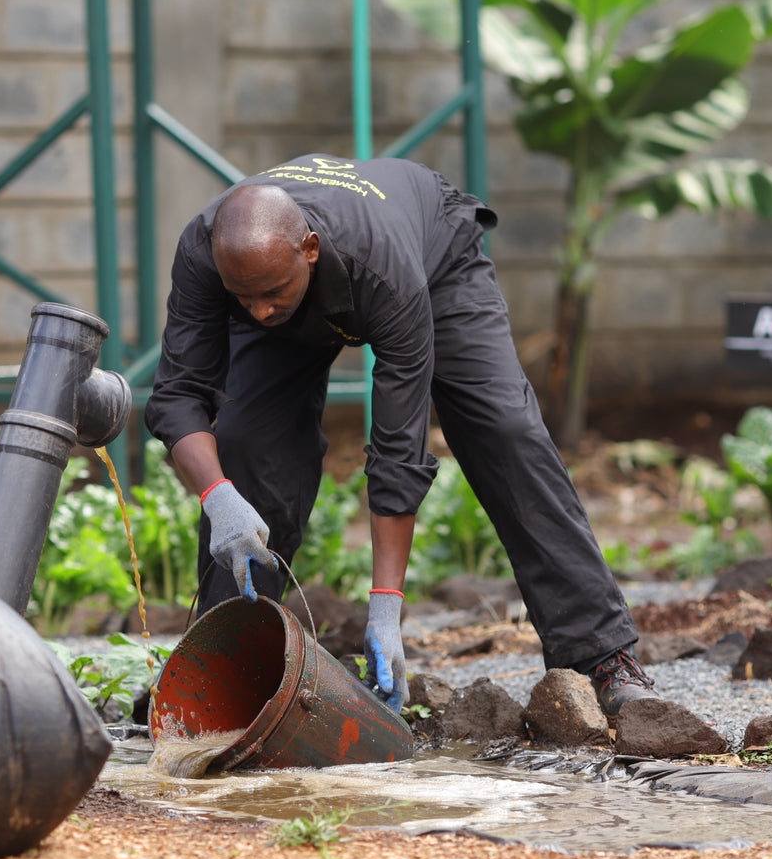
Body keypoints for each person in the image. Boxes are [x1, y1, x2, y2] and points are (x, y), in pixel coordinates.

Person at [142, 154, 655, 716]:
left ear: (308, 250)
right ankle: (218, 672)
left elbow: (397, 447)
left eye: (270, 293)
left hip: (431, 262)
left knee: (504, 431)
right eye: (244, 299)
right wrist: (220, 499)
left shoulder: (384, 269)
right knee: (246, 447)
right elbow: (178, 394)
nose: (259, 312)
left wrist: (385, 609)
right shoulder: (215, 254)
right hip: (298, 276)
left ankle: (603, 657)